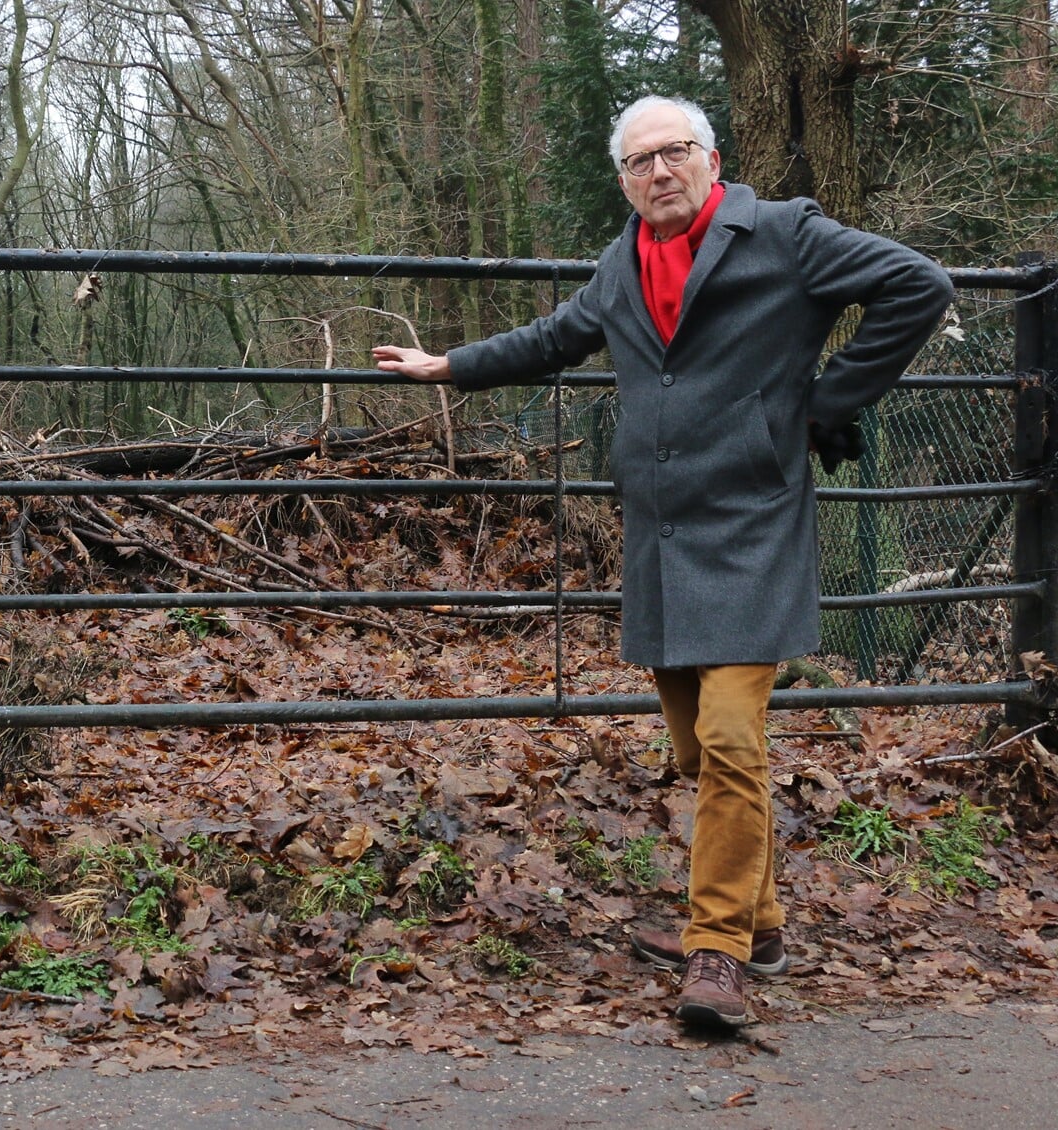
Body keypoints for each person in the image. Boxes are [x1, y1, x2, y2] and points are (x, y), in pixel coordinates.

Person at [373, 94, 953, 1030]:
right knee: (695, 750)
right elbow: (555, 338)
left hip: (754, 525)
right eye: (640, 162)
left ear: (710, 158)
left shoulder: (785, 235)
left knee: (730, 739)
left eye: (674, 153)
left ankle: (716, 950)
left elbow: (920, 285)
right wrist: (450, 365)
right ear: (625, 182)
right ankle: (760, 926)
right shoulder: (622, 263)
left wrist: (823, 405)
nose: (659, 172)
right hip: (662, 533)